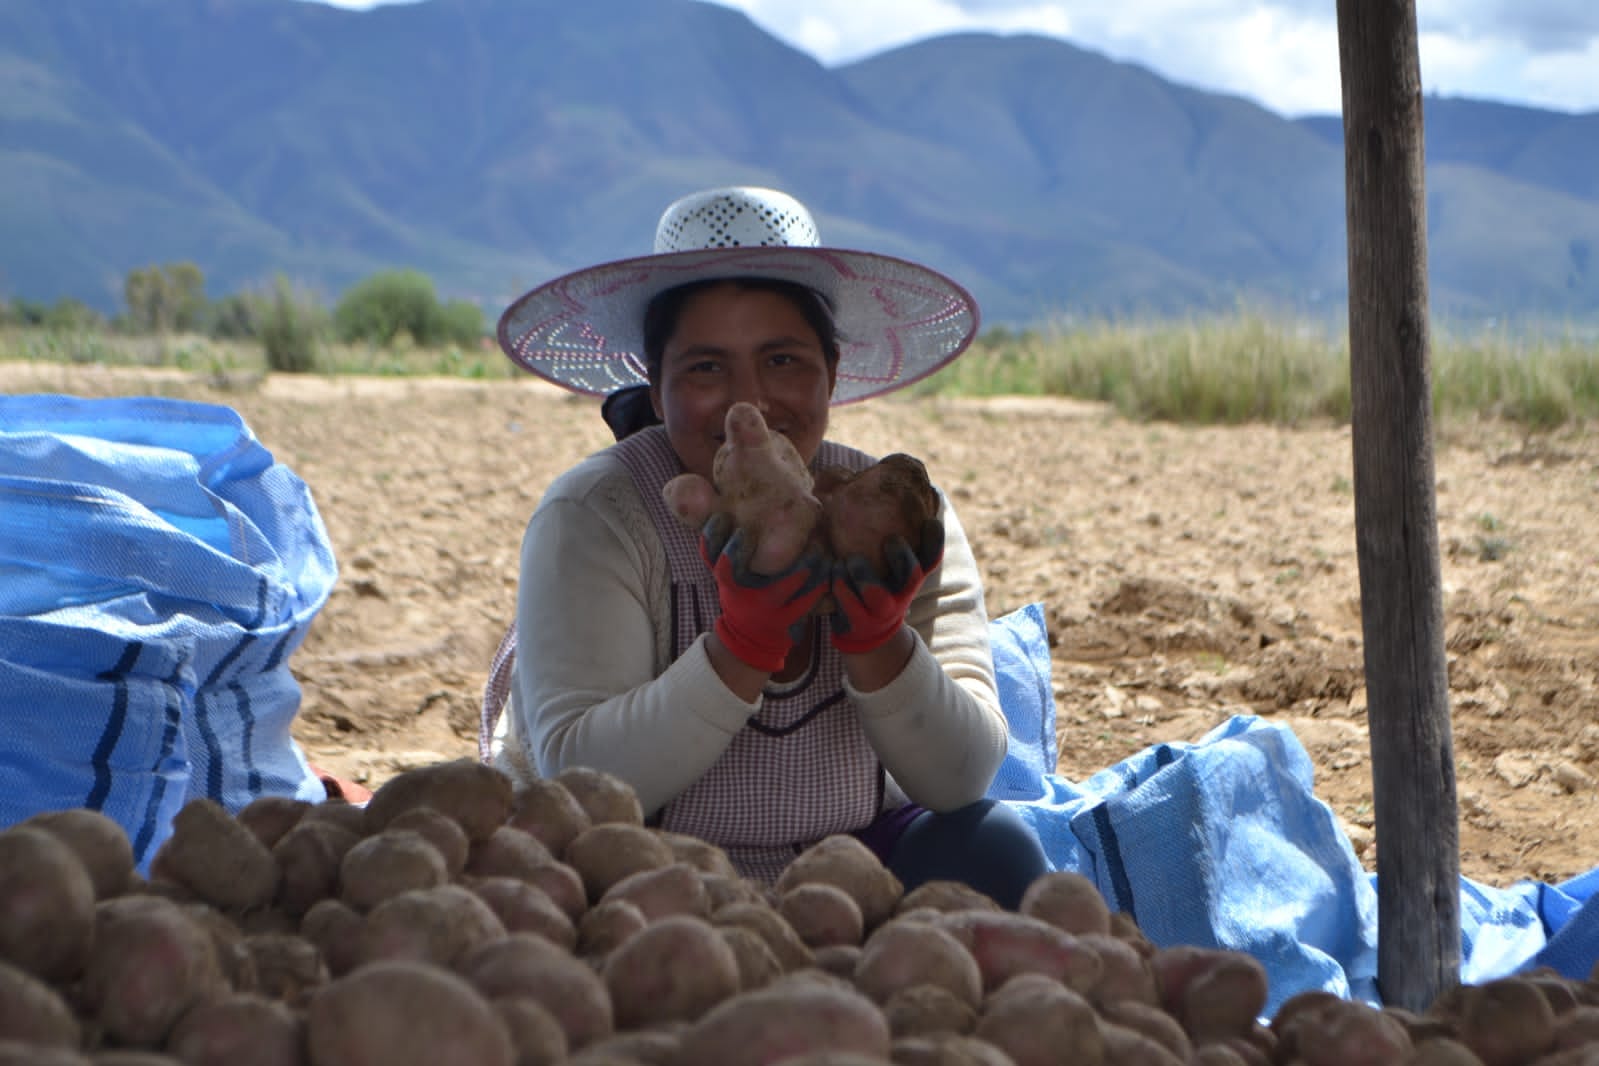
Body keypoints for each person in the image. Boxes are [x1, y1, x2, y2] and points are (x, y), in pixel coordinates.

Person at [486, 186, 1049, 907]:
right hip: (639, 868)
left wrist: (878, 639)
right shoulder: (596, 514)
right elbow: (582, 783)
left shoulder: (894, 515)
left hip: (849, 865)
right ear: (656, 389)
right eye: (706, 368)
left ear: (831, 374)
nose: (747, 403)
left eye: (783, 361)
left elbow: (959, 778)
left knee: (993, 849)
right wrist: (744, 644)